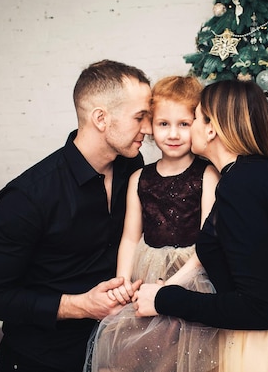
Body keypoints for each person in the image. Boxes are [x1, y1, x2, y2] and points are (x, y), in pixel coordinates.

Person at [134, 79, 268, 372]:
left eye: (194, 118)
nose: (190, 127)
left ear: (211, 128)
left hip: (264, 351)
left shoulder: (240, 186)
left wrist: (164, 299)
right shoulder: (257, 176)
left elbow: (257, 309)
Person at [0, 59, 152, 372]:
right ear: (101, 118)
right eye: (140, 117)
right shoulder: (28, 196)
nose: (148, 129)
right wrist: (79, 305)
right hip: (41, 358)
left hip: (111, 350)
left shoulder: (132, 167)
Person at [86, 76, 221, 372]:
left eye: (184, 124)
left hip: (192, 275)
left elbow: (208, 244)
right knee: (142, 352)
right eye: (164, 124)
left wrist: (169, 290)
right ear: (150, 127)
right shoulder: (139, 178)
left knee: (188, 353)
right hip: (146, 274)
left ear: (198, 124)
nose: (173, 134)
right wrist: (122, 284)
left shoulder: (208, 175)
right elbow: (130, 238)